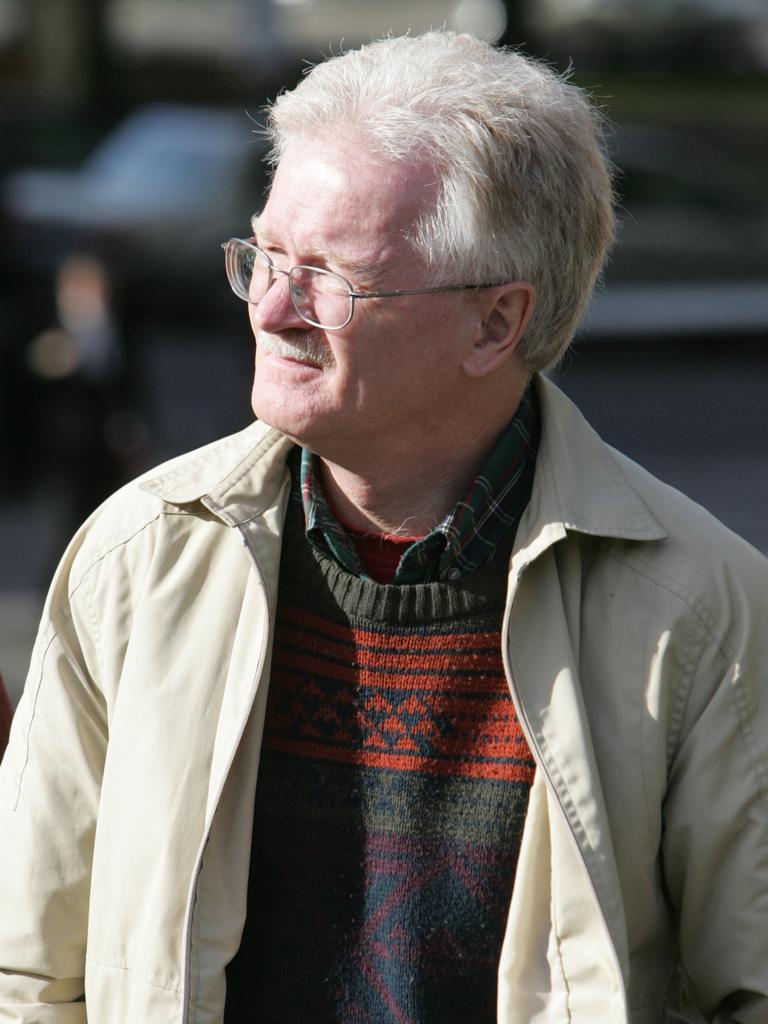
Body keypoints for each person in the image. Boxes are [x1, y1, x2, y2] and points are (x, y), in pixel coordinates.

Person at [1, 30, 766, 1024]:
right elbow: (28, 975)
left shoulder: (705, 608)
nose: (271, 306)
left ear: (496, 323)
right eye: (264, 253)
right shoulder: (137, 556)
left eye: (329, 276)